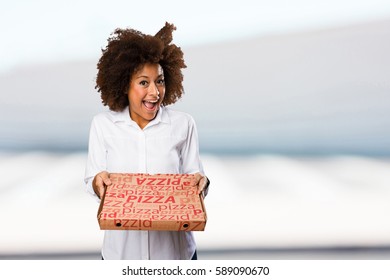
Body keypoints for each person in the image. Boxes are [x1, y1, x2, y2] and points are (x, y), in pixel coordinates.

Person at [84, 22, 209, 260]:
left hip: (175, 256)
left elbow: (196, 177)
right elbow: (92, 179)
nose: (154, 92)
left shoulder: (184, 124)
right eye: (144, 82)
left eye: (159, 81)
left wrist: (200, 184)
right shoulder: (103, 125)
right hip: (121, 256)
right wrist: (97, 183)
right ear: (125, 86)